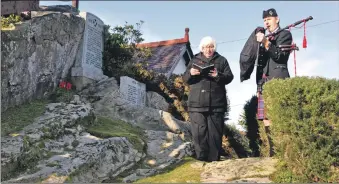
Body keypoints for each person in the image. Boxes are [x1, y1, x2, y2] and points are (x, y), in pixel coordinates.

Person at [183, 36, 234, 162]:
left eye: (211, 46)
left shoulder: (222, 60)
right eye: (206, 47)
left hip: (217, 104)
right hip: (197, 104)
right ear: (201, 48)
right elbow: (185, 79)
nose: (208, 49)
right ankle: (201, 159)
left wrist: (218, 75)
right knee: (199, 133)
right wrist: (191, 73)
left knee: (215, 134)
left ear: (214, 47)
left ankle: (214, 160)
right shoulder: (194, 60)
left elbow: (229, 77)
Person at [256, 8, 293, 127]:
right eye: (264, 20)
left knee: (279, 118)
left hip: (279, 80)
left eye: (269, 19)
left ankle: (281, 145)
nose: (266, 22)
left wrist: (266, 42)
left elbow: (280, 57)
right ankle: (272, 146)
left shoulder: (285, 34)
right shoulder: (266, 37)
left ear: (277, 19)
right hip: (265, 82)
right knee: (266, 120)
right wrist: (259, 86)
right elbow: (260, 65)